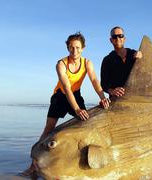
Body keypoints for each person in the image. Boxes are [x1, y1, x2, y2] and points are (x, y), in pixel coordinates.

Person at [20, 32, 110, 176]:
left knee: (86, 124)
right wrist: (77, 109)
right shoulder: (61, 64)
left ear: (83, 48)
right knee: (49, 128)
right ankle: (33, 165)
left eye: (78, 48)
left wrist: (102, 97)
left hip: (76, 95)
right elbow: (67, 88)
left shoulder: (87, 63)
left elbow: (94, 80)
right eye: (71, 48)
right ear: (68, 48)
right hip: (60, 96)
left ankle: (79, 162)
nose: (75, 51)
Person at [101, 26, 142, 97]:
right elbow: (104, 84)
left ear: (124, 39)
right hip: (117, 100)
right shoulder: (107, 60)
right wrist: (112, 91)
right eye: (114, 37)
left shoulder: (135, 54)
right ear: (111, 40)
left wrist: (142, 57)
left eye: (120, 36)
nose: (117, 38)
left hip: (136, 97)